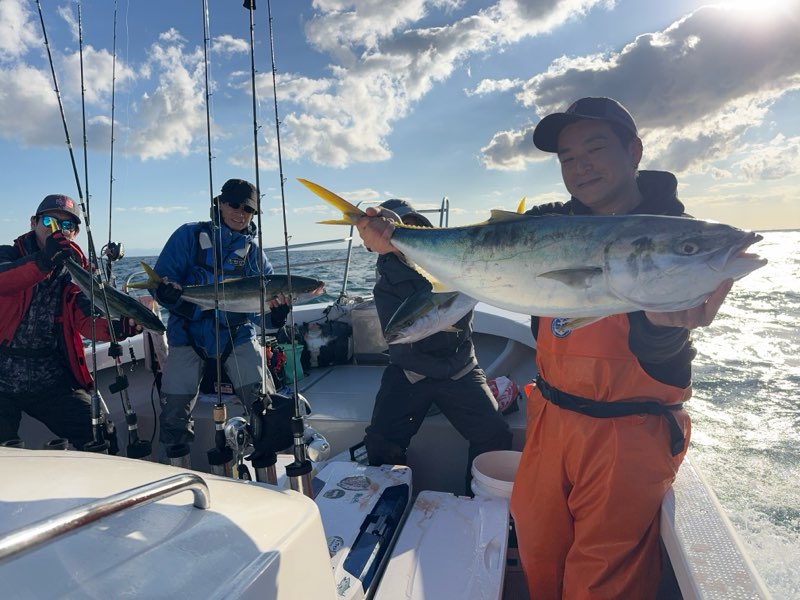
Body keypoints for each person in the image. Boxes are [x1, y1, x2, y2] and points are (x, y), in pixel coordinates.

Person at [354, 97, 733, 599]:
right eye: (568, 158)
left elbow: (666, 363)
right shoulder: (546, 223)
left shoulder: (671, 234)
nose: (581, 166)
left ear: (634, 151)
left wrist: (667, 329)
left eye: (595, 149)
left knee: (601, 578)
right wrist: (396, 239)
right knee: (538, 554)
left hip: (626, 434)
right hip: (549, 421)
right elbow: (474, 251)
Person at [364, 198, 512, 495]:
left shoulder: (453, 265)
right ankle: (390, 503)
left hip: (460, 366)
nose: (404, 239)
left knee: (495, 435)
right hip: (410, 372)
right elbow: (398, 339)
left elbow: (465, 311)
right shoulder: (387, 284)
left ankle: (477, 503)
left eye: (413, 228)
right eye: (394, 233)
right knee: (381, 440)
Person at [151, 178, 291, 465]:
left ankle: (265, 469)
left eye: (248, 209)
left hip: (237, 335)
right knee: (173, 415)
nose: (240, 213)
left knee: (264, 407)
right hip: (187, 335)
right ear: (220, 204)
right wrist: (166, 294)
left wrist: (276, 315)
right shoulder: (189, 236)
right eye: (234, 205)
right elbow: (161, 283)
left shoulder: (255, 256)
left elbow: (261, 316)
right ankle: (175, 472)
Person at [0, 194, 140, 450]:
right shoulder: (7, 255)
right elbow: (4, 281)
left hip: (49, 378)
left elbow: (86, 320)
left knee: (100, 434)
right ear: (33, 222)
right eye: (50, 221)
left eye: (67, 225)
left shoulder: (78, 272)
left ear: (75, 233)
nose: (58, 229)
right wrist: (43, 261)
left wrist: (118, 328)